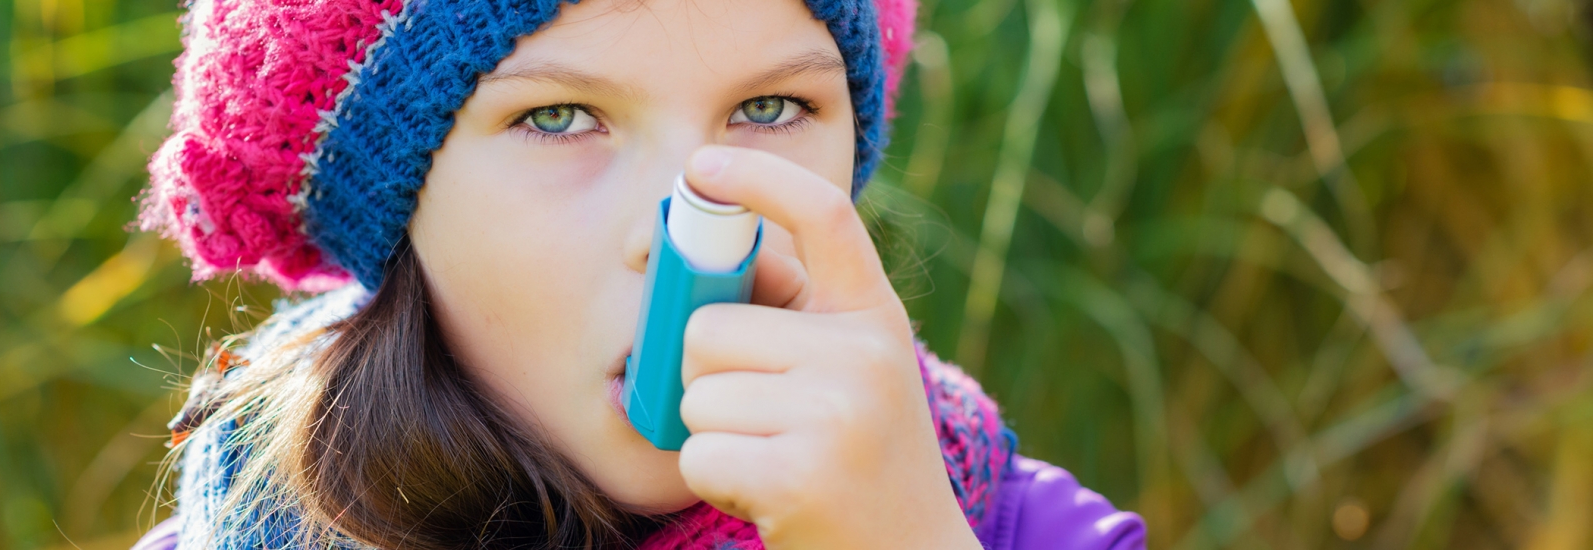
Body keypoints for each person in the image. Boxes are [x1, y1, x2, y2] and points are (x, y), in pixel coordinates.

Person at [129, 0, 1147, 548]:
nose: (686, 230)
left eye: (770, 109)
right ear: (397, 209)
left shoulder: (1018, 529)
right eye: (558, 118)